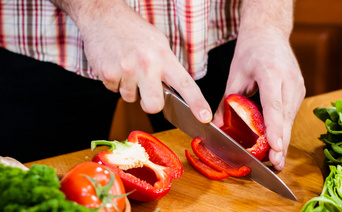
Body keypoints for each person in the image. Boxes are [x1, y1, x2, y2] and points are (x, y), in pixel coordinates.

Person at [0, 0, 305, 170]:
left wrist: (268, 21)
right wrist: (95, 8)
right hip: (47, 37)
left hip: (226, 29)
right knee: (34, 206)